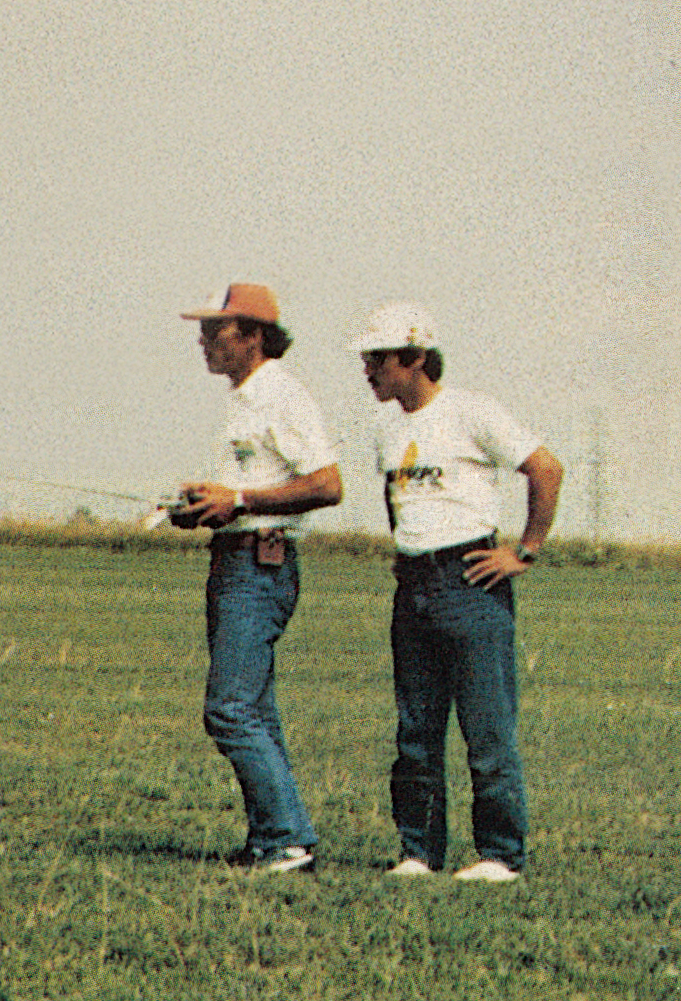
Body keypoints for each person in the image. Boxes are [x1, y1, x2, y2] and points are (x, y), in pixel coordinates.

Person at [353, 302, 562, 882]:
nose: (368, 370)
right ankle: (418, 851)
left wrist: (524, 550)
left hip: (469, 581)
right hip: (413, 584)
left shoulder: (472, 413)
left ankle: (499, 854)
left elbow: (545, 467)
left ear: (415, 358)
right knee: (415, 729)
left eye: (378, 359)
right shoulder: (386, 429)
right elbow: (395, 499)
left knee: (486, 727)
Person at [171, 283, 344, 874]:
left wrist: (238, 499)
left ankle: (289, 841)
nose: (203, 341)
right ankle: (275, 836)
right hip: (234, 558)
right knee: (255, 710)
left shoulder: (281, 395)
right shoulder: (245, 399)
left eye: (215, 331)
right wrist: (209, 506)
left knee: (229, 710)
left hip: (259, 565)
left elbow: (327, 485)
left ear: (251, 335)